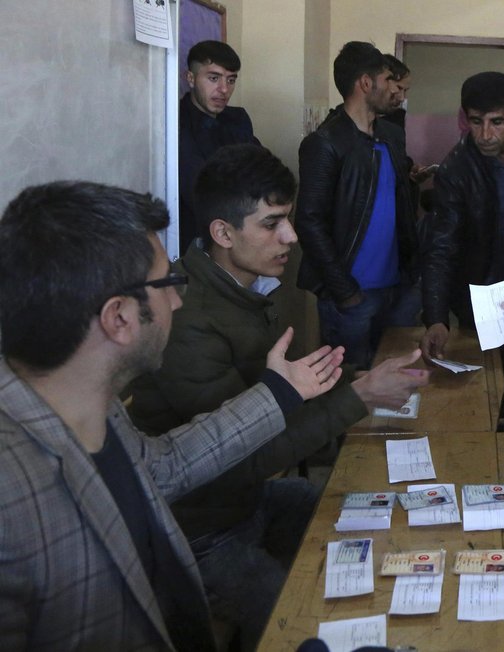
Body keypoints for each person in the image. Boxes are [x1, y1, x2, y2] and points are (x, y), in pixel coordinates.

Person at [0, 181, 342, 651]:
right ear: (118, 317)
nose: (179, 301)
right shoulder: (12, 492)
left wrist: (279, 392)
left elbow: (165, 465)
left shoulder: (87, 402)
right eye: (168, 284)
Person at [127, 144, 430, 649]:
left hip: (245, 503)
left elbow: (294, 386)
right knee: (298, 623)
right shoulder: (186, 321)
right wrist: (360, 395)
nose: (291, 236)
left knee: (370, 519)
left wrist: (361, 377)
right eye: (272, 224)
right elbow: (244, 455)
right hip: (200, 531)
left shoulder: (251, 287)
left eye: (287, 219)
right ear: (223, 233)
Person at [419, 71, 504, 363]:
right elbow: (441, 247)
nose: (485, 134)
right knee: (493, 379)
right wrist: (436, 318)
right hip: (485, 291)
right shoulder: (455, 172)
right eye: (475, 121)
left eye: (496, 122)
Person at [296, 41, 419, 369]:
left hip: (396, 289)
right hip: (353, 297)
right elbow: (308, 222)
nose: (393, 88)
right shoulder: (325, 144)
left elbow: (402, 202)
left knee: (396, 383)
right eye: (385, 79)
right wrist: (344, 291)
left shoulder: (390, 135)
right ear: (366, 83)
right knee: (352, 391)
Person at [179, 40, 260, 254]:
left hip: (244, 240)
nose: (224, 89)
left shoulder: (238, 119)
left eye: (231, 80)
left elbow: (265, 176)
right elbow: (202, 196)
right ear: (190, 78)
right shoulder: (175, 124)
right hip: (196, 246)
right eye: (213, 78)